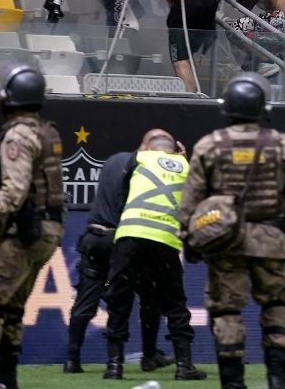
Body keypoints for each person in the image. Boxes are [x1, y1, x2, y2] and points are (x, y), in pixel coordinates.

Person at [179, 73, 285, 389]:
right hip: (271, 241)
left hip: (225, 243)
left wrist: (190, 241)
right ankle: (277, 379)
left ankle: (233, 381)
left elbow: (190, 203)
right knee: (276, 305)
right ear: (262, 108)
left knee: (227, 310)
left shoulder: (209, 146)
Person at [0, 66, 66, 389]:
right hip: (49, 231)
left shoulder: (17, 135)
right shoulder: (48, 132)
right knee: (13, 308)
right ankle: (8, 382)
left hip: (24, 231)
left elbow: (13, 191)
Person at [102, 129, 207, 381]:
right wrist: (184, 158)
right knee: (175, 304)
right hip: (165, 240)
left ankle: (114, 367)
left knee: (119, 301)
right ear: (176, 148)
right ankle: (184, 367)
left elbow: (122, 194)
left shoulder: (138, 158)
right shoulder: (186, 165)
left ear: (147, 147)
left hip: (130, 235)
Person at [65, 142, 177, 374]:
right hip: (126, 243)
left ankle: (72, 359)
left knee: (86, 299)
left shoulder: (113, 159)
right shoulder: (144, 166)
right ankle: (147, 355)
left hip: (95, 239)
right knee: (147, 297)